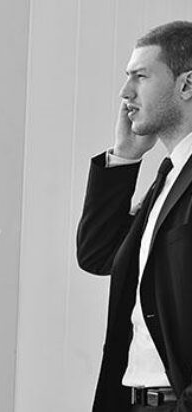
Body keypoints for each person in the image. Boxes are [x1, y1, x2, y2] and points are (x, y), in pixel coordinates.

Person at [77, 21, 192, 411]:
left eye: (140, 76)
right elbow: (98, 253)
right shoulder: (167, 178)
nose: (125, 92)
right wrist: (125, 156)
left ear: (187, 85)